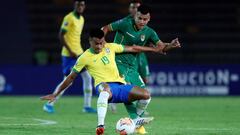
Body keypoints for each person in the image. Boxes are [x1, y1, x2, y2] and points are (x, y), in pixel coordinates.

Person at [40, 29, 167, 135]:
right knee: (105, 89)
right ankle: (100, 125)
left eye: (101, 43)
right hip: (104, 86)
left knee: (146, 95)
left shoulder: (110, 47)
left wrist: (155, 49)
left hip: (120, 86)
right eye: (96, 43)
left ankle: (135, 121)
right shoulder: (84, 57)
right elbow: (70, 78)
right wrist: (55, 94)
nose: (99, 46)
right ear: (90, 41)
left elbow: (133, 48)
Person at [102, 4, 181, 134]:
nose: (142, 21)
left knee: (145, 96)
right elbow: (105, 28)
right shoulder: (124, 23)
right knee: (127, 92)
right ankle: (136, 123)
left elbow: (160, 47)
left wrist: (171, 45)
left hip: (132, 67)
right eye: (140, 18)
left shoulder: (150, 32)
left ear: (149, 19)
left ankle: (134, 122)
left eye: (145, 19)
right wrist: (103, 43)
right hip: (117, 63)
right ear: (135, 16)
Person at [43, 0, 96, 113]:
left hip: (79, 53)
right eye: (78, 5)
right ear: (75, 5)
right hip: (69, 55)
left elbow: (75, 37)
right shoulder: (69, 18)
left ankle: (86, 106)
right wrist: (70, 50)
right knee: (68, 81)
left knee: (87, 77)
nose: (80, 7)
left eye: (82, 5)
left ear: (84, 6)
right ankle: (49, 104)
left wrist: (78, 52)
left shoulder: (81, 19)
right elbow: (61, 35)